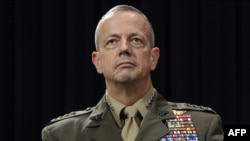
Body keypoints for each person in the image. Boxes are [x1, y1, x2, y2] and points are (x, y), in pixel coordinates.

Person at [41, 4, 224, 141]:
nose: (124, 48)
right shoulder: (63, 134)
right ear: (97, 61)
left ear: (153, 57)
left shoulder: (201, 127)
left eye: (136, 40)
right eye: (112, 41)